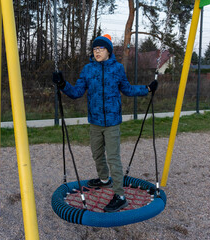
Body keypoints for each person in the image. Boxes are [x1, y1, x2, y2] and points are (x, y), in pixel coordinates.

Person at [53, 34, 158, 213]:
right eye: (94, 49)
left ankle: (120, 196)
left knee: (113, 158)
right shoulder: (88, 69)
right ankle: (104, 180)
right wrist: (63, 84)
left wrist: (147, 89)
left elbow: (127, 89)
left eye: (100, 49)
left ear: (108, 50)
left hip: (112, 122)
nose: (97, 52)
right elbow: (77, 92)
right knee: (96, 153)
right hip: (95, 121)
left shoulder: (117, 68)